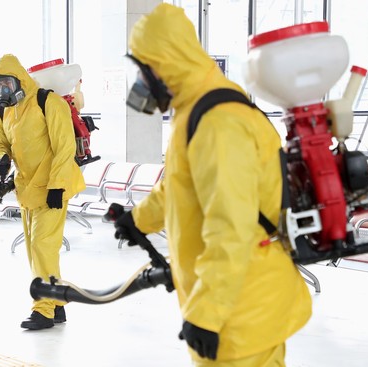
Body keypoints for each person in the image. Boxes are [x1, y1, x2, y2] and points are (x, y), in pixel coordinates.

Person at [113, 4, 312, 366]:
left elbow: (231, 225)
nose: (142, 85)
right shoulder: (197, 109)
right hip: (235, 305)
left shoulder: (218, 121)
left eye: (144, 73)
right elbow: (181, 186)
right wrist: (139, 219)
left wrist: (207, 312)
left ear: (164, 63)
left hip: (240, 312)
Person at [0, 54, 86, 330]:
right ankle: (56, 306)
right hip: (28, 191)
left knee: (43, 246)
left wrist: (57, 187)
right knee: (36, 251)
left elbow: (65, 147)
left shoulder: (48, 103)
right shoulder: (4, 112)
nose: (4, 91)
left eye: (7, 84)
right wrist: (0, 160)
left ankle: (43, 310)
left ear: (20, 79)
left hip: (54, 188)